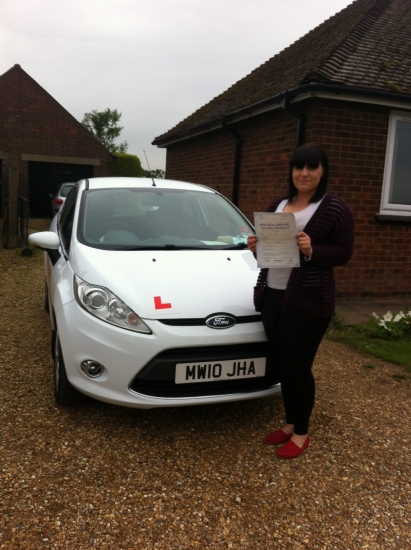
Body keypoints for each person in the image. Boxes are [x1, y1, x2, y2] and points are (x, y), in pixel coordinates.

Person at [247, 143, 354, 459]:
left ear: (323, 171)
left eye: (311, 167)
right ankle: (291, 423)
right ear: (291, 171)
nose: (304, 173)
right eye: (298, 167)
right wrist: (256, 245)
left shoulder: (334, 208)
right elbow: (269, 250)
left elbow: (344, 253)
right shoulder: (278, 204)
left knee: (298, 367)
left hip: (308, 300)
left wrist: (313, 250)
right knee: (281, 364)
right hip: (272, 295)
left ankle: (302, 432)